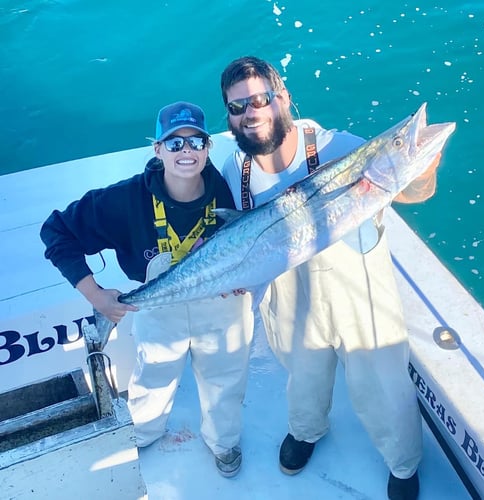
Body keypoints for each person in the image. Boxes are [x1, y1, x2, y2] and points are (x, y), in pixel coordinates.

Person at [216, 56, 442, 499]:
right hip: (287, 298)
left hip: (360, 294)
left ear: (283, 100)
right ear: (229, 115)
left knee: (385, 388)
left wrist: (421, 162)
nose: (251, 113)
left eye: (260, 99)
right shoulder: (234, 171)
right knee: (302, 378)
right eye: (238, 107)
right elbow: (238, 242)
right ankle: (306, 431)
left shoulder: (339, 147)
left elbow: (415, 191)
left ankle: (403, 463)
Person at [40, 101, 254, 478]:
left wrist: (241, 279)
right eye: (174, 144)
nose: (185, 152)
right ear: (157, 149)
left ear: (207, 148)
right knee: (153, 374)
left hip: (219, 305)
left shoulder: (228, 194)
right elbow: (56, 230)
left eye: (195, 142)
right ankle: (144, 432)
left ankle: (224, 442)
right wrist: (95, 294)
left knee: (226, 375)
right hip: (157, 306)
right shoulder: (126, 200)